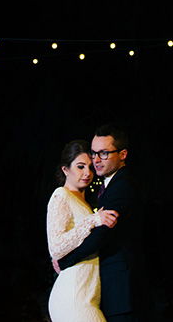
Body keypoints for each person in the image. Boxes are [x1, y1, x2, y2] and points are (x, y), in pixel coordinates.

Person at [57, 124, 138, 322]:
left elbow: (102, 235)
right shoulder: (107, 186)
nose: (96, 160)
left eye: (103, 153)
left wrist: (65, 261)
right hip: (102, 287)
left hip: (120, 287)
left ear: (123, 154)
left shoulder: (122, 186)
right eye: (94, 153)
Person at [46, 139, 119, 322]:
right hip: (73, 296)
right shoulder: (61, 195)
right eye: (80, 167)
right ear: (65, 170)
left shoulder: (85, 204)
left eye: (90, 167)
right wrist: (93, 220)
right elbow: (56, 247)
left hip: (86, 295)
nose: (87, 173)